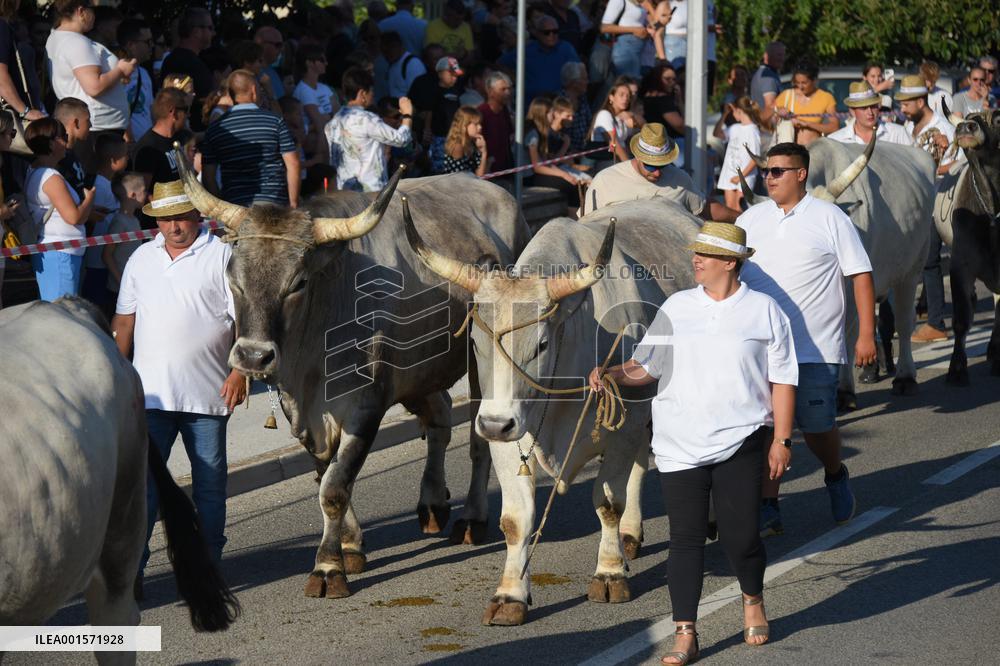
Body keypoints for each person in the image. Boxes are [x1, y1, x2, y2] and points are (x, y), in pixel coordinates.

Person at [589, 222, 796, 664]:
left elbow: (783, 380)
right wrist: (611, 374)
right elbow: (646, 367)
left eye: (705, 254)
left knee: (741, 537)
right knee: (685, 539)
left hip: (741, 438)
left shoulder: (764, 311)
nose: (695, 259)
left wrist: (782, 439)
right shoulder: (676, 307)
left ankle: (752, 599)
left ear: (730, 262)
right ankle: (686, 633)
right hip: (678, 442)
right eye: (696, 252)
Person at [111, 180, 247, 598]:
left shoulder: (221, 255)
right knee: (145, 490)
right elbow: (124, 323)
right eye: (165, 219)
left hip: (209, 396)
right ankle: (132, 573)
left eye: (181, 218)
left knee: (209, 487)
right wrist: (114, 377)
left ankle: (208, 568)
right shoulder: (140, 258)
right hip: (150, 397)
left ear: (197, 216)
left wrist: (240, 371)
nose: (173, 227)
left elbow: (247, 319)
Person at [736, 141, 876, 536]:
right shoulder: (750, 219)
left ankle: (834, 472)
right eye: (766, 170)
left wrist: (867, 334)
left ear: (801, 174)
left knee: (816, 427)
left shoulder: (830, 217)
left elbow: (860, 274)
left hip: (815, 346)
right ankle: (769, 505)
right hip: (760, 347)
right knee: (766, 427)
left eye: (777, 171)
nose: (768, 177)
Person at [896, 76, 957, 344]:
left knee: (931, 263)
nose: (902, 108)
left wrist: (924, 169)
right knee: (921, 263)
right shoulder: (910, 127)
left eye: (906, 103)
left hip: (938, 204)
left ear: (920, 101)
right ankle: (923, 315)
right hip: (917, 205)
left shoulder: (943, 127)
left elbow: (957, 164)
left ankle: (936, 323)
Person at [583, 122, 737, 222]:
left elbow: (705, 207)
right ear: (638, 156)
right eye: (651, 166)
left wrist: (743, 218)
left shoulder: (680, 179)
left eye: (663, 165)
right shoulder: (605, 181)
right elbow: (584, 228)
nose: (657, 173)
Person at [201, 70, 300, 207]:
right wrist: (293, 203)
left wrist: (222, 208)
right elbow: (293, 163)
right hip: (274, 205)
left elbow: (208, 177)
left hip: (235, 207)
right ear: (254, 90)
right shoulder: (275, 121)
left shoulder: (215, 129)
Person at [23, 117, 95, 300]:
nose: (66, 142)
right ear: (51, 143)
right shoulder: (51, 177)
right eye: (63, 136)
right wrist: (89, 199)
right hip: (60, 253)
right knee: (62, 311)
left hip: (57, 252)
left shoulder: (36, 170)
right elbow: (73, 217)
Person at [45, 0, 135, 141]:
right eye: (92, 9)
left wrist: (115, 77)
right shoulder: (76, 42)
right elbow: (94, 87)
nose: (94, 15)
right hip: (97, 129)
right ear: (81, 11)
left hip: (96, 126)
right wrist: (120, 70)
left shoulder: (58, 37)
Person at [326, 66, 413, 192]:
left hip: (344, 193)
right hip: (370, 194)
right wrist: (407, 114)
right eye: (371, 91)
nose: (373, 95)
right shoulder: (367, 119)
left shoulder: (332, 123)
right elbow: (402, 139)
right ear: (362, 93)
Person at [80, 132, 126, 315]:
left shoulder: (107, 183)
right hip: (96, 259)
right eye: (125, 154)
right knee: (95, 306)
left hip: (104, 258)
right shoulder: (99, 187)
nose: (129, 157)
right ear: (113, 161)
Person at [131, 87, 189, 216]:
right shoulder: (147, 149)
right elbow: (143, 193)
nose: (188, 115)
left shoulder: (180, 138)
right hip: (161, 220)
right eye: (186, 110)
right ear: (173, 112)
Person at [498, 15, 580, 103]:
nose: (551, 35)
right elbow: (499, 64)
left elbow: (579, 73)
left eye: (555, 31)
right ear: (538, 33)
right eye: (547, 32)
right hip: (532, 104)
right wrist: (515, 79)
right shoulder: (526, 50)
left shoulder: (566, 49)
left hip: (559, 103)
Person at [159, 7, 215, 130]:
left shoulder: (176, 59)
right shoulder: (184, 63)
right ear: (196, 31)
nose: (213, 33)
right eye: (210, 28)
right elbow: (177, 101)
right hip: (189, 133)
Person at [525, 96, 581, 214]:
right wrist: (563, 175)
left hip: (538, 174)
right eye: (551, 113)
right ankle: (574, 217)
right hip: (528, 178)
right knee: (569, 185)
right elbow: (537, 167)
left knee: (574, 182)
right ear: (543, 114)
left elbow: (547, 162)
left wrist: (566, 175)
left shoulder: (541, 133)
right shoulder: (533, 134)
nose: (553, 116)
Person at [409, 55, 463, 173]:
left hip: (454, 135)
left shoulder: (456, 90)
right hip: (438, 135)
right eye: (451, 75)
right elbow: (430, 111)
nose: (454, 78)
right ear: (440, 74)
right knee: (438, 165)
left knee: (453, 165)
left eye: (456, 76)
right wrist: (427, 129)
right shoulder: (434, 91)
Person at [0, 0, 46, 123]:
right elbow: (0, 75)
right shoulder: (2, 26)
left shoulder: (8, 24)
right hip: (15, 113)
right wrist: (24, 110)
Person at [774, 58, 838, 145]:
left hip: (814, 149)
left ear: (814, 80)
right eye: (797, 82)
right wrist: (778, 113)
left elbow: (834, 127)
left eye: (804, 83)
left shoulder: (826, 97)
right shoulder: (786, 95)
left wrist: (806, 124)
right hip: (789, 149)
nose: (800, 86)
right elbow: (768, 122)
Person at [102, 171, 144, 301]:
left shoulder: (134, 220)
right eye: (144, 190)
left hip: (132, 286)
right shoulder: (119, 222)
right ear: (133, 195)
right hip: (118, 289)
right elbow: (106, 255)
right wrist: (121, 281)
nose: (146, 194)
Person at [828, 82, 913, 146]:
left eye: (873, 106)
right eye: (864, 108)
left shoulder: (898, 133)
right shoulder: (836, 140)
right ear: (852, 111)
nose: (870, 112)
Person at [717, 96, 762, 210]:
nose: (732, 115)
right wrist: (724, 114)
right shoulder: (734, 128)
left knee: (739, 209)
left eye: (733, 111)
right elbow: (717, 133)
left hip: (745, 176)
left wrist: (740, 177)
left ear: (739, 110)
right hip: (729, 173)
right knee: (730, 209)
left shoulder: (753, 131)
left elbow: (755, 158)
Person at [116, 18, 154, 143]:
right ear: (130, 45)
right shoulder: (113, 73)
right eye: (147, 42)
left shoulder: (144, 74)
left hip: (146, 145)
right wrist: (129, 140)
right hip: (126, 146)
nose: (152, 46)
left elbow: (150, 111)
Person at [589, 77, 638, 163]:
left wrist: (633, 118)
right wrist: (628, 165)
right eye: (621, 95)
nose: (625, 98)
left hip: (615, 160)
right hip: (600, 161)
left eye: (628, 96)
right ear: (611, 97)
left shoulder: (623, 117)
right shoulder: (604, 114)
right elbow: (614, 144)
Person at [51, 97, 90, 198]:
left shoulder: (71, 153)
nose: (90, 125)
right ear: (76, 123)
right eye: (87, 120)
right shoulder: (58, 160)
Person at [599, 0, 648, 78]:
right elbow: (604, 27)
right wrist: (634, 30)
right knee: (628, 81)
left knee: (633, 81)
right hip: (625, 48)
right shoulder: (618, 1)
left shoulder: (640, 4)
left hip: (638, 51)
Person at [477, 71, 514, 172]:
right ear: (490, 91)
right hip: (488, 170)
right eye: (503, 89)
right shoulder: (481, 113)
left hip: (505, 169)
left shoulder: (505, 111)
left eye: (509, 89)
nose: (508, 93)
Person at [749, 41, 785, 139]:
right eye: (778, 55)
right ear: (766, 56)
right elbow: (770, 106)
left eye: (783, 55)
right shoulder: (767, 76)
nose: (782, 58)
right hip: (768, 133)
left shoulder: (765, 73)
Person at [440, 105, 487, 176]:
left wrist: (483, 152)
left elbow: (480, 175)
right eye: (476, 124)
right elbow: (459, 179)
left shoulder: (473, 143)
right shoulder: (457, 146)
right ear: (464, 125)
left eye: (480, 123)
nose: (480, 127)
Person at [382, 30, 426, 99]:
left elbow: (419, 94)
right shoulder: (391, 64)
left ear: (400, 45)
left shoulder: (413, 64)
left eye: (391, 48)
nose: (387, 54)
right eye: (384, 51)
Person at [559, 62, 590, 152]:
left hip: (584, 151)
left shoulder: (583, 99)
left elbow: (589, 124)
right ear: (574, 82)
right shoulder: (559, 102)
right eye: (584, 79)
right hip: (565, 153)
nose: (587, 82)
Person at [253, 26, 286, 99]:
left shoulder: (272, 70)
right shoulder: (252, 75)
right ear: (262, 44)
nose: (282, 49)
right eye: (278, 45)